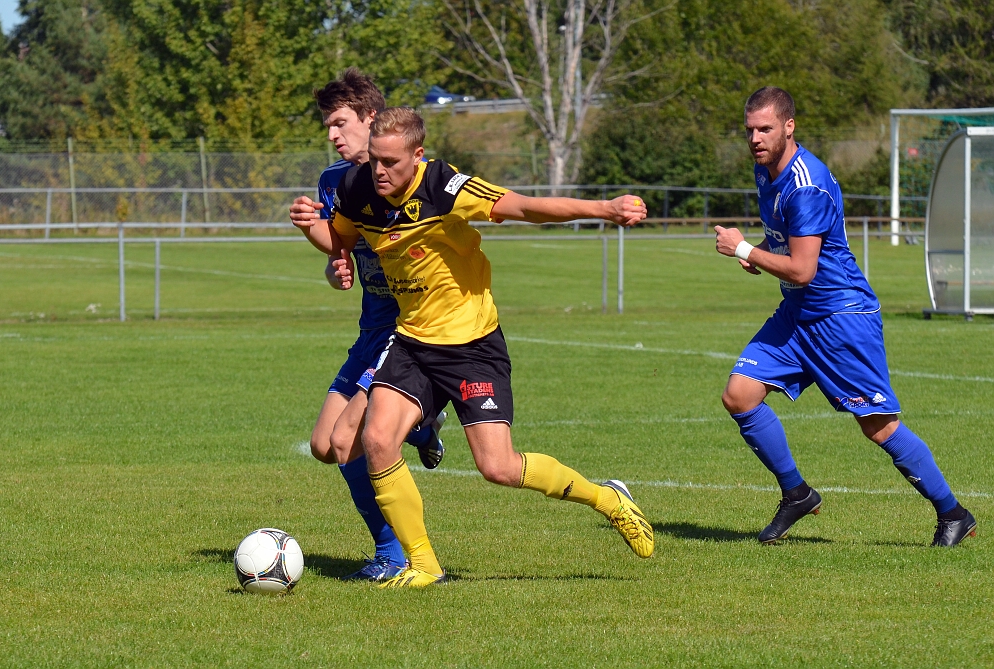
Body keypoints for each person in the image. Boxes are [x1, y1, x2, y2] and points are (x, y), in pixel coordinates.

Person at [292, 106, 655, 588]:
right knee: (376, 441)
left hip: (470, 346)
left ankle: (606, 498)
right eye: (375, 160)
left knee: (498, 468)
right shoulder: (358, 188)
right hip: (412, 341)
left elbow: (524, 206)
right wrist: (319, 239)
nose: (379, 171)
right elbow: (340, 236)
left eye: (391, 163)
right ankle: (422, 565)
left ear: (417, 156)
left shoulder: (447, 187)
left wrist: (604, 209)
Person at [714, 86, 976, 547]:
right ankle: (796, 493)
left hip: (840, 315)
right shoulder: (764, 170)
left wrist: (741, 247)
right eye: (750, 129)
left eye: (766, 129)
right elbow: (790, 248)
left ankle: (953, 512)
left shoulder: (805, 185)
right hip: (798, 312)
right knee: (739, 395)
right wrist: (759, 253)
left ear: (789, 127)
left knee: (878, 426)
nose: (755, 138)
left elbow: (804, 268)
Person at [292, 69, 446, 581]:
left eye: (340, 123)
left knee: (346, 441)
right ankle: (423, 424)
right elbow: (342, 251)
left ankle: (394, 553)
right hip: (371, 327)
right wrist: (327, 252)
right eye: (328, 126)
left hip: (410, 328)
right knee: (323, 446)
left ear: (370, 118)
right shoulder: (333, 181)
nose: (333, 135)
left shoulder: (408, 175)